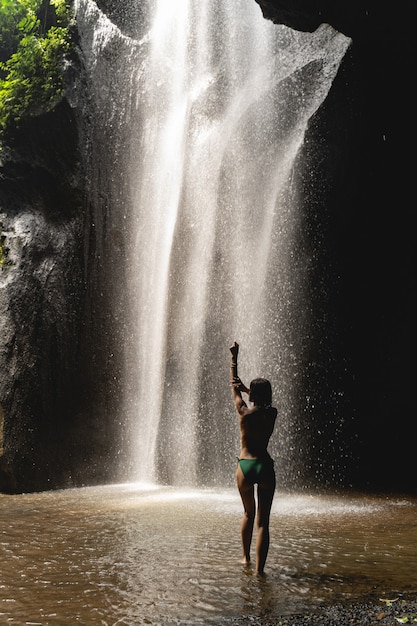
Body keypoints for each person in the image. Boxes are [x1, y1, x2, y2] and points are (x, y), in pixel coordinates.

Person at [229, 341, 277, 575]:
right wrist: (252, 390)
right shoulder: (272, 414)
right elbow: (264, 401)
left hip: (245, 465)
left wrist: (234, 359)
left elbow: (234, 388)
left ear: (252, 396)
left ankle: (245, 559)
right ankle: (260, 572)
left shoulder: (243, 413)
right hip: (265, 466)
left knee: (248, 513)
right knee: (263, 522)